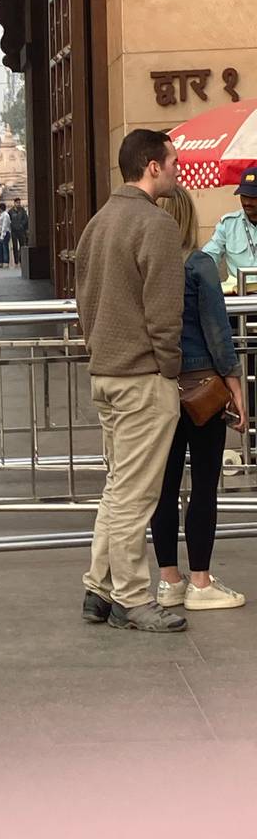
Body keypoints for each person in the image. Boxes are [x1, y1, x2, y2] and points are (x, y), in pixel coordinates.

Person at [76, 128, 187, 633]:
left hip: (107, 371)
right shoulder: (156, 225)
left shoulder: (98, 223)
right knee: (136, 496)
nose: (177, 169)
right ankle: (132, 598)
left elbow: (82, 302)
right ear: (151, 166)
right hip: (144, 375)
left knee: (118, 488)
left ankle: (98, 590)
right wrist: (169, 368)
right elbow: (165, 313)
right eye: (172, 162)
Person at [151, 186, 247, 610]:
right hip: (203, 387)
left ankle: (169, 579)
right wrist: (235, 383)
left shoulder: (146, 265)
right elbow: (217, 330)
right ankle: (201, 582)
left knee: (164, 486)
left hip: (157, 387)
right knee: (204, 485)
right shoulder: (199, 264)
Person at [203, 167, 257, 294]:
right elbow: (209, 256)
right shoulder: (228, 224)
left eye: (253, 196)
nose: (247, 202)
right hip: (238, 299)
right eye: (244, 196)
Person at [9, 197, 29, 266]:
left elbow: (26, 219)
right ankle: (16, 261)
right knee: (15, 246)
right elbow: (9, 220)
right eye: (17, 203)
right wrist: (12, 226)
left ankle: (21, 260)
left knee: (22, 245)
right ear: (14, 203)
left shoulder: (22, 210)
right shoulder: (11, 211)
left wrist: (21, 225)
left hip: (21, 231)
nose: (18, 204)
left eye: (19, 203)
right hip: (14, 231)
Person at [0, 202, 11, 267]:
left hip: (4, 233)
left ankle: (6, 262)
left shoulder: (6, 215)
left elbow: (4, 226)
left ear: (0, 208)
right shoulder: (1, 215)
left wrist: (2, 236)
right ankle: (0, 261)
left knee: (5, 248)